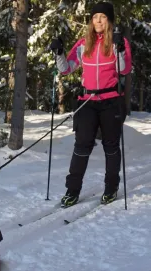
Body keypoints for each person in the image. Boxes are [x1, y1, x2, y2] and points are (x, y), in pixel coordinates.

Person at [50, 1, 132, 207]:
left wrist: (120, 49)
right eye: (95, 17)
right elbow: (66, 69)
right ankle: (72, 191)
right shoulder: (83, 44)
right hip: (87, 102)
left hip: (110, 101)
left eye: (103, 17)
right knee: (81, 146)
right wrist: (59, 53)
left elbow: (124, 69)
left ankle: (111, 188)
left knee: (111, 146)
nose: (98, 20)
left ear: (109, 21)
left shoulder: (116, 42)